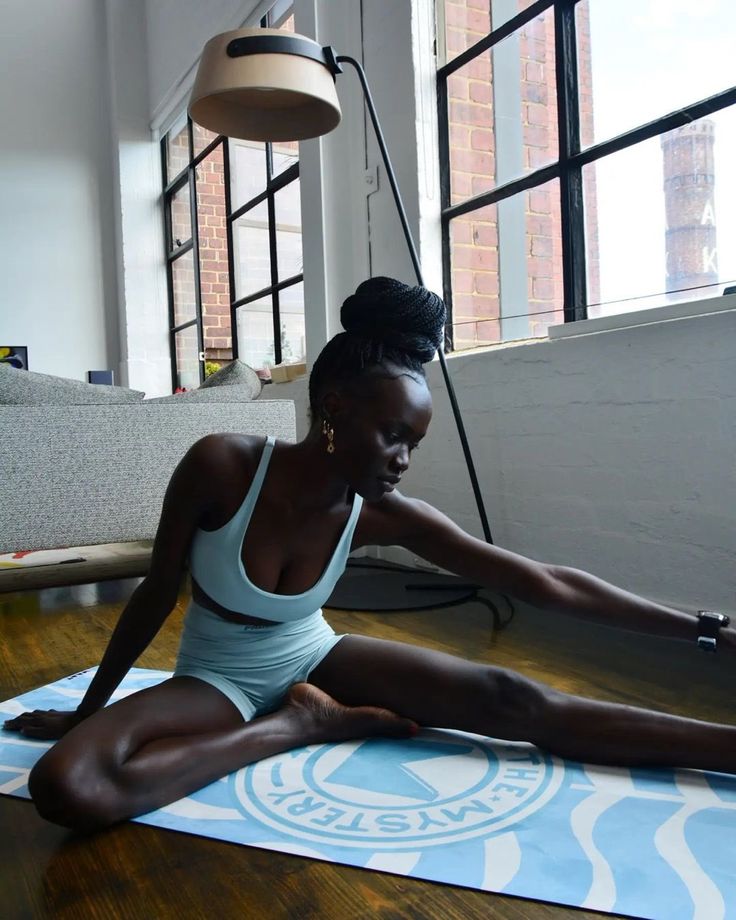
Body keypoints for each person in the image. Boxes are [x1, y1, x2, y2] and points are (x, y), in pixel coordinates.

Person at [4, 277, 735, 832]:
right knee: (67, 785)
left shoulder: (382, 515)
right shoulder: (221, 466)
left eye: (413, 444)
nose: (404, 460)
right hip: (217, 680)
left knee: (515, 700)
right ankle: (299, 726)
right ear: (335, 410)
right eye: (394, 437)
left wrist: (701, 628)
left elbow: (545, 584)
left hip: (317, 658)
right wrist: (85, 713)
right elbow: (155, 594)